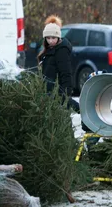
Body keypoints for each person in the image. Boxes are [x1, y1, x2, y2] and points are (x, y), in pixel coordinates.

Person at [38, 15, 99, 148]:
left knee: (69, 111)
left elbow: (66, 72)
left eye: (53, 38)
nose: (50, 40)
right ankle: (74, 141)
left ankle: (91, 126)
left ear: (58, 37)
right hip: (48, 90)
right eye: (48, 38)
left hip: (58, 89)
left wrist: (66, 91)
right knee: (63, 118)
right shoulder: (48, 51)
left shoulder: (61, 51)